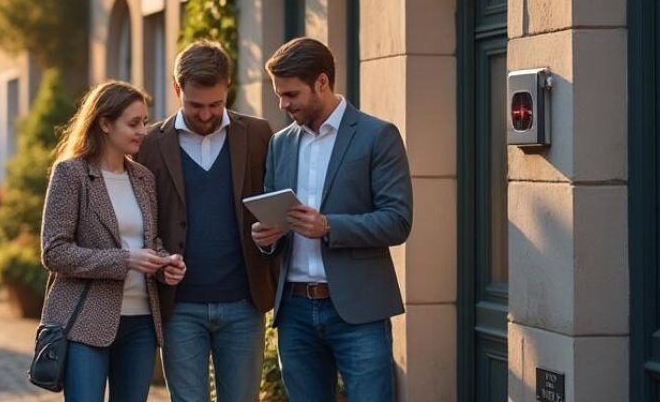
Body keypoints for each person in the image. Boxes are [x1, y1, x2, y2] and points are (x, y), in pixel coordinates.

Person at [251, 37, 414, 402]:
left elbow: (398, 220)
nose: (283, 104)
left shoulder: (377, 136)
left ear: (321, 83)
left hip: (358, 311)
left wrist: (329, 226)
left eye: (291, 94)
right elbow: (276, 222)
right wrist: (268, 236)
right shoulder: (281, 143)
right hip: (293, 311)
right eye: (280, 94)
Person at [134, 41, 275, 402]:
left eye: (216, 104)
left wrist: (272, 235)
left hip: (244, 303)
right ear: (177, 89)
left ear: (227, 86)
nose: (207, 114)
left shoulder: (259, 135)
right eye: (195, 105)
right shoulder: (149, 144)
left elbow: (274, 204)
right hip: (179, 307)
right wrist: (158, 261)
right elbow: (140, 219)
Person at [40, 81, 187, 402]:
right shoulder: (71, 174)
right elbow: (55, 251)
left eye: (145, 122)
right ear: (105, 123)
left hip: (142, 323)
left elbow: (150, 240)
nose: (142, 131)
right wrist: (126, 260)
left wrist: (165, 264)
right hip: (86, 322)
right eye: (133, 123)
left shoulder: (143, 178)